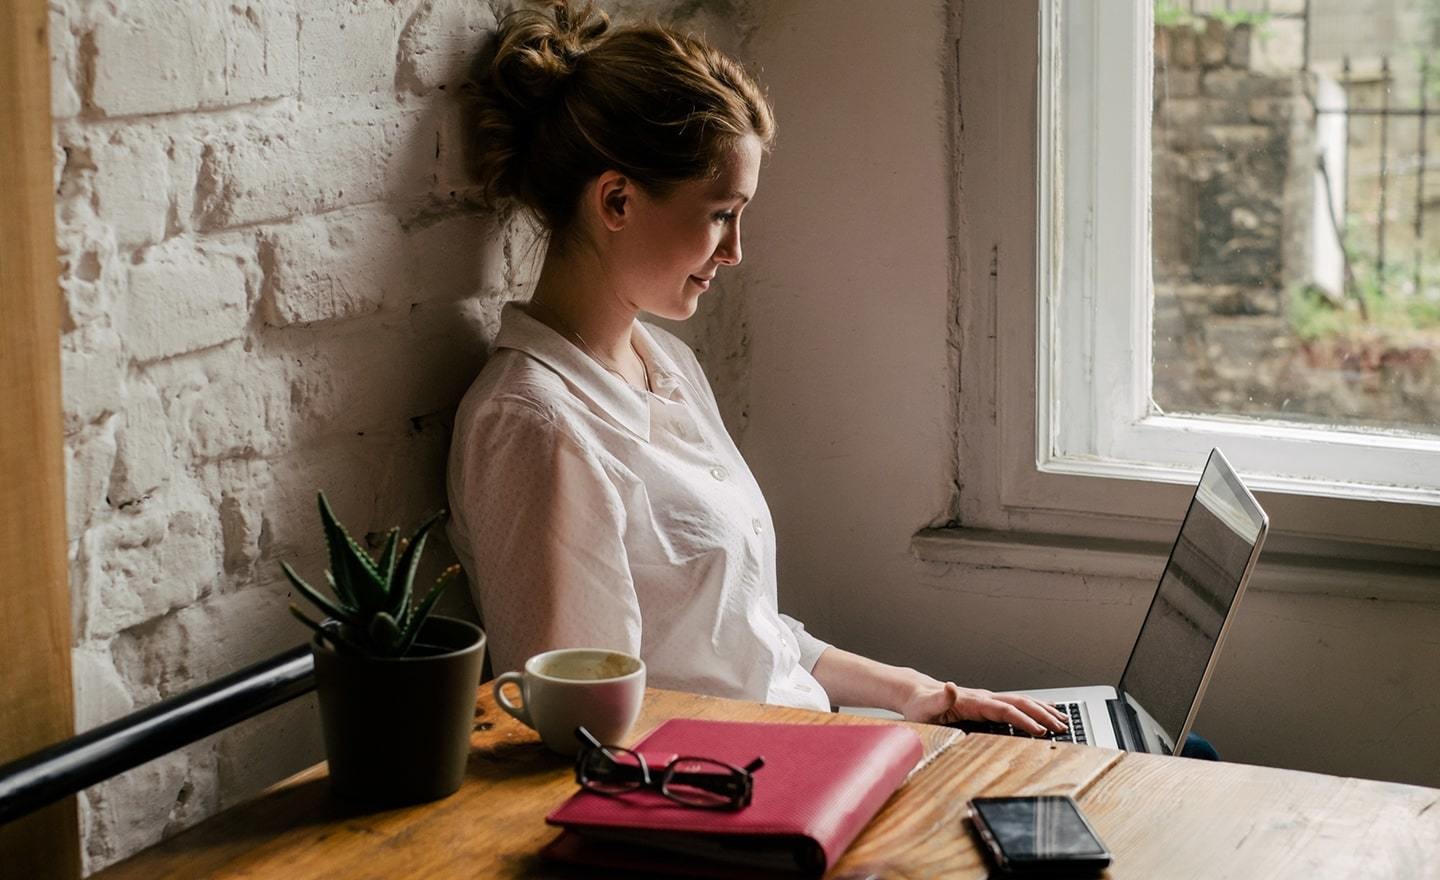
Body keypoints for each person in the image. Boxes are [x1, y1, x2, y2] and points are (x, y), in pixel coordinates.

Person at [446, 0, 1066, 737]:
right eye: (719, 214)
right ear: (616, 199)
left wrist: (917, 692)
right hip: (736, 794)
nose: (736, 251)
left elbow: (742, 635)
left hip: (807, 747)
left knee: (1178, 749)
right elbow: (578, 728)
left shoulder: (663, 362)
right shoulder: (537, 425)